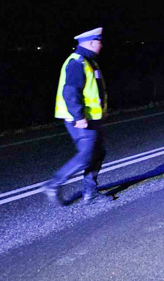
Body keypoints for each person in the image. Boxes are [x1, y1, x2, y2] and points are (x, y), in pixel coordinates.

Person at [43, 27, 110, 205]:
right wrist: (79, 116)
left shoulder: (89, 61)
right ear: (90, 43)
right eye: (99, 42)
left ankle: (91, 193)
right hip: (81, 120)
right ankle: (54, 184)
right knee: (88, 155)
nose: (101, 45)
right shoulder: (77, 62)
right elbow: (70, 92)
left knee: (98, 153)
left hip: (92, 118)